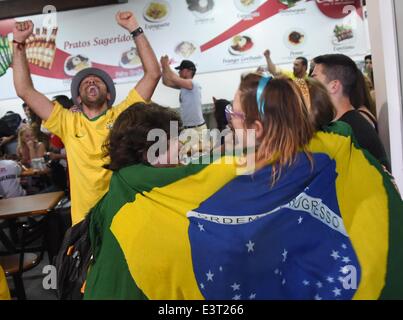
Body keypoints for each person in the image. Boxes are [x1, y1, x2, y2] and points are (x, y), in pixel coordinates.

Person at [12, 11, 161, 225]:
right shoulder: (66, 121)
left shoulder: (122, 116)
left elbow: (153, 74)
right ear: (79, 99)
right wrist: (18, 43)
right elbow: (24, 90)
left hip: (123, 214)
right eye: (85, 83)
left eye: (97, 81)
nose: (91, 81)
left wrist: (135, 29)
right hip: (85, 221)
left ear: (109, 95)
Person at [312, 54, 389, 170]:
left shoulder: (351, 130)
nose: (309, 85)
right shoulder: (344, 124)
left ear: (334, 86)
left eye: (314, 78)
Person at [160, 57, 208, 155]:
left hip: (197, 129)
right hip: (187, 129)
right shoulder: (184, 86)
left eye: (180, 70)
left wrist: (165, 64)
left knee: (200, 157)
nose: (179, 73)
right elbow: (166, 82)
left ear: (186, 71)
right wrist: (164, 67)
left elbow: (173, 78)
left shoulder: (193, 84)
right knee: (185, 156)